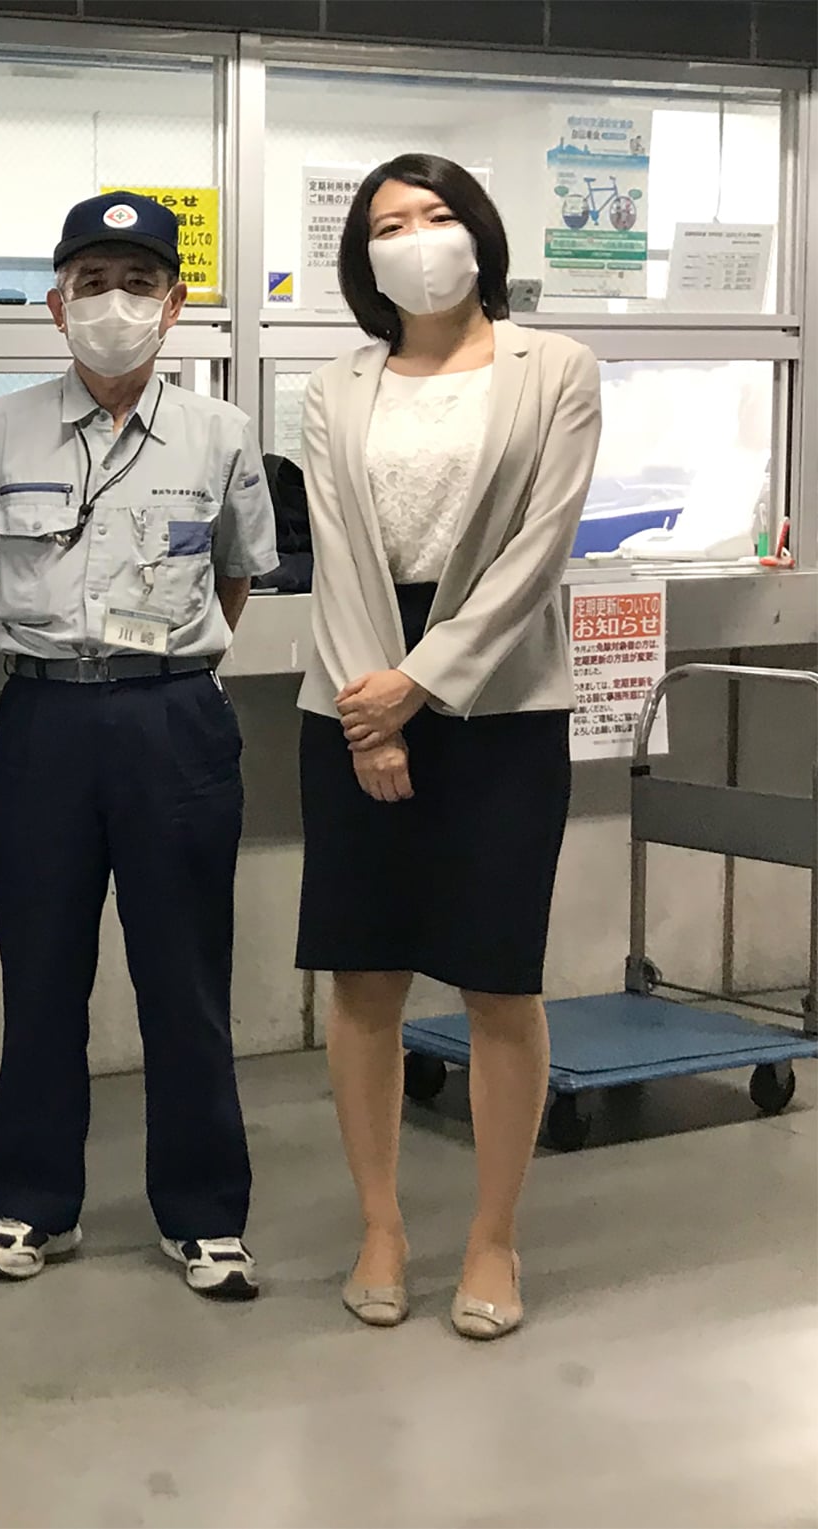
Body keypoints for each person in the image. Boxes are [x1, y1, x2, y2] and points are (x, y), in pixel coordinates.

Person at [0, 191, 279, 1300]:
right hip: (42, 716)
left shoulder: (219, 435)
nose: (113, 304)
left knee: (183, 975)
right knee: (40, 972)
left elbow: (235, 574)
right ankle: (32, 1201)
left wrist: (158, 659)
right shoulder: (0, 428)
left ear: (174, 305)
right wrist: (61, 643)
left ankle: (203, 1215)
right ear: (54, 304)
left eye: (136, 283)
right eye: (91, 282)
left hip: (171, 718)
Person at [295, 154, 600, 1341]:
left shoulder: (553, 368)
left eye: (433, 217)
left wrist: (420, 685)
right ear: (361, 255)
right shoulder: (335, 385)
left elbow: (539, 546)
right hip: (355, 683)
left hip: (499, 692)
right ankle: (379, 1222)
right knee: (363, 971)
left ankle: (490, 1236)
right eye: (387, 224)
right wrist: (371, 708)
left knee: (495, 975)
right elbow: (334, 549)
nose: (414, 238)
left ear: (477, 235)